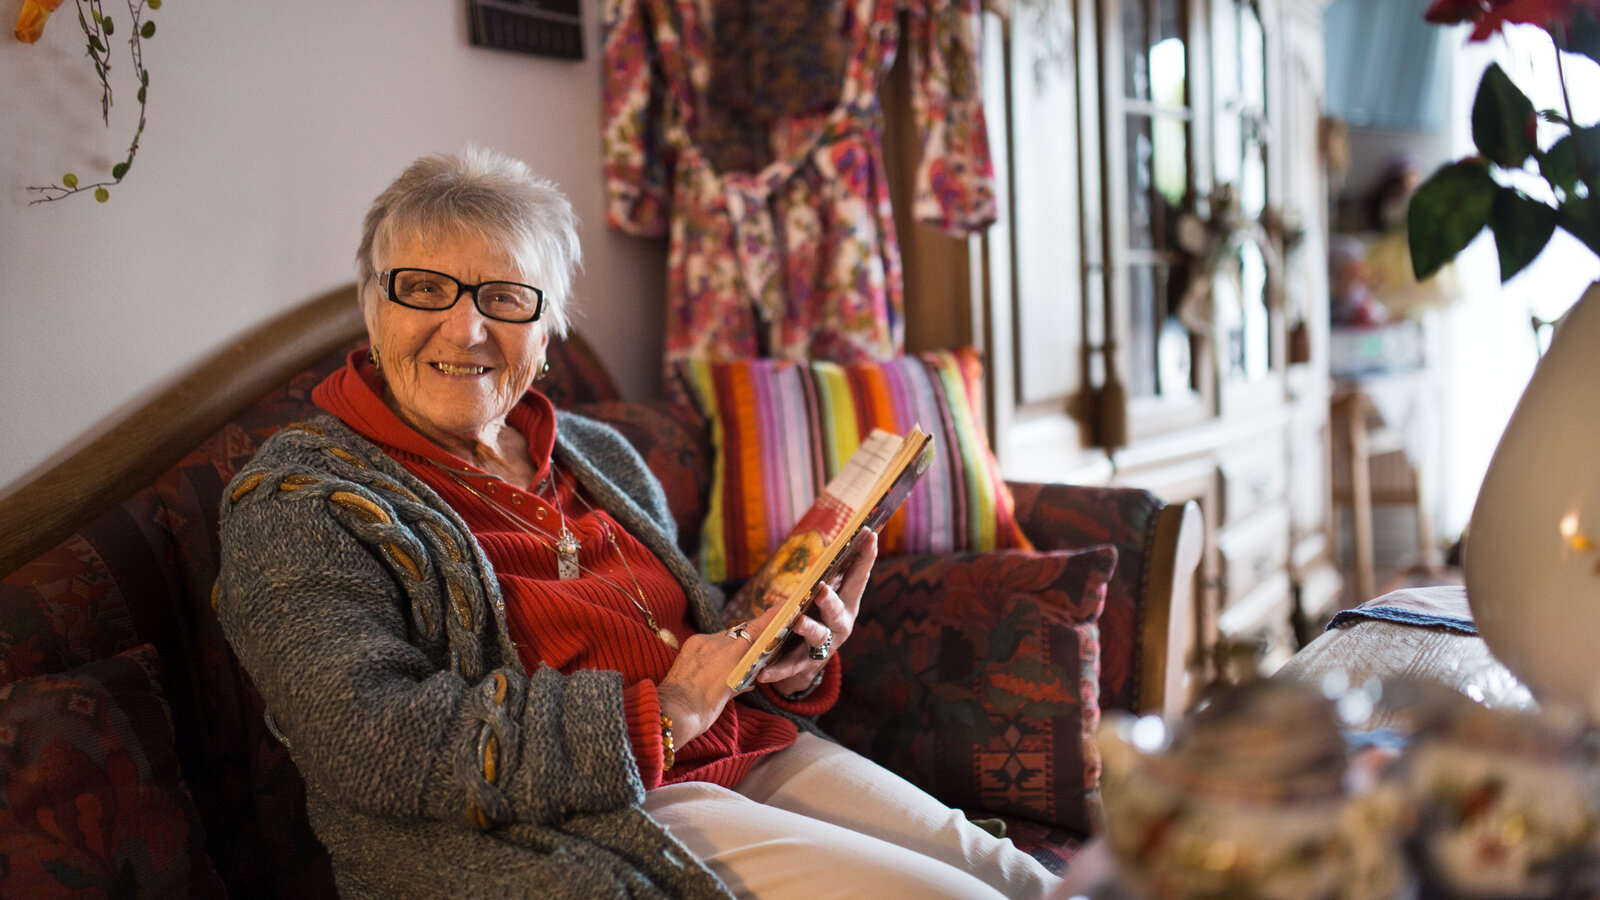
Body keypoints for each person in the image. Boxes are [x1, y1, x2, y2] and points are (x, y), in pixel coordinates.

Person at [215, 147, 1061, 900]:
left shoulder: (596, 453)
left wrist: (783, 652)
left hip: (740, 742)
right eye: (426, 289)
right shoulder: (298, 502)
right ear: (375, 308)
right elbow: (368, 739)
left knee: (1023, 880)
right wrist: (654, 717)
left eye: (505, 298)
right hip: (585, 812)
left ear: (546, 333)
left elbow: (677, 630)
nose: (465, 328)